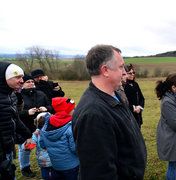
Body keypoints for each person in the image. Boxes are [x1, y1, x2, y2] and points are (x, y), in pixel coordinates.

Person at [72, 45, 147, 179]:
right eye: (121, 67)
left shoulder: (116, 95)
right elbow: (99, 173)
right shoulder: (93, 115)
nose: (125, 72)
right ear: (105, 70)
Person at [17, 74, 53, 177]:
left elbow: (50, 106)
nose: (31, 83)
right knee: (25, 149)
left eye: (32, 81)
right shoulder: (18, 96)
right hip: (26, 127)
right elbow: (14, 114)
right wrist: (26, 112)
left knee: (43, 147)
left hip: (42, 127)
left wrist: (46, 108)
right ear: (22, 84)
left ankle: (47, 165)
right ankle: (25, 168)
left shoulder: (41, 94)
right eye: (28, 82)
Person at [0, 62, 31, 180]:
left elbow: (15, 118)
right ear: (4, 78)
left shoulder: (11, 95)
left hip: (8, 147)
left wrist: (27, 134)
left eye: (22, 77)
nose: (22, 80)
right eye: (17, 77)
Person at [40, 97, 79, 180]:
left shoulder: (46, 124)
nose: (75, 110)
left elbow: (42, 144)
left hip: (56, 165)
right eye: (73, 109)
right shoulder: (70, 127)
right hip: (72, 165)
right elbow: (75, 149)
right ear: (67, 111)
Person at [32, 112, 53, 180]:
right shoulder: (54, 131)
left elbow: (32, 143)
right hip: (54, 157)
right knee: (54, 172)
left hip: (42, 159)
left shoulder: (36, 134)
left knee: (44, 172)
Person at [124, 63, 145, 128]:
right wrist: (133, 108)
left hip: (138, 115)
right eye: (130, 73)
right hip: (128, 116)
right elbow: (122, 102)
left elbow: (142, 98)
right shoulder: (122, 86)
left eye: (133, 72)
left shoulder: (135, 84)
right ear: (124, 73)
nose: (132, 74)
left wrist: (140, 107)